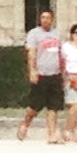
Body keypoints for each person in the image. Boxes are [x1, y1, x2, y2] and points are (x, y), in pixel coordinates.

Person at [17, 9, 65, 143]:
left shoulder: (57, 34)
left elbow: (61, 53)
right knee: (35, 106)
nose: (45, 20)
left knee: (53, 107)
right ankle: (25, 124)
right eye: (43, 17)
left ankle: (52, 135)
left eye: (48, 18)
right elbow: (31, 53)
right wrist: (32, 70)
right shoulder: (34, 34)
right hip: (41, 74)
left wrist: (63, 72)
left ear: (52, 19)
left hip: (55, 74)